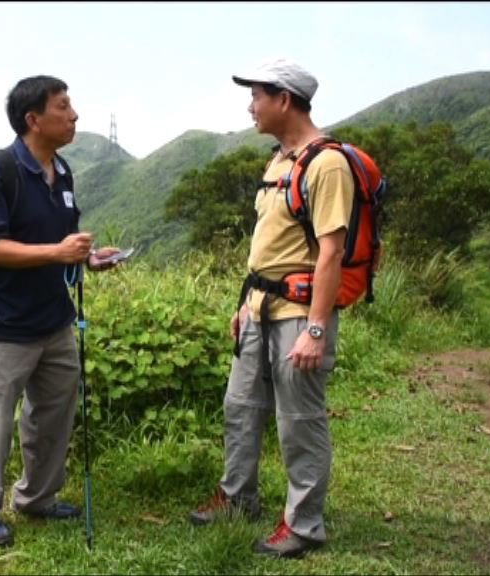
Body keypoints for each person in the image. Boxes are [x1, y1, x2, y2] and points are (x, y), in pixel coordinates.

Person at [188, 59, 354, 559]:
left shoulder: (327, 164)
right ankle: (239, 498)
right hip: (258, 308)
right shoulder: (279, 160)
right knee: (240, 408)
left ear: (284, 99)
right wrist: (245, 304)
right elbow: (269, 245)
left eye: (257, 95)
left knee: (298, 420)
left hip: (298, 315)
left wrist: (317, 329)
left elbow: (332, 252)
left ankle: (303, 525)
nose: (250, 106)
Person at [0, 75, 121, 547]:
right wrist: (57, 253)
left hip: (54, 319)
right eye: (63, 107)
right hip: (4, 325)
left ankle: (37, 497)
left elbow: (60, 240)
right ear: (33, 119)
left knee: (53, 412)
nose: (74, 116)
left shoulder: (63, 172)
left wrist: (88, 257)